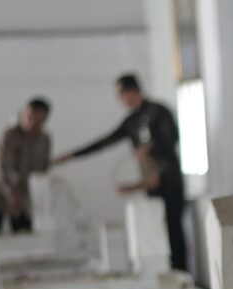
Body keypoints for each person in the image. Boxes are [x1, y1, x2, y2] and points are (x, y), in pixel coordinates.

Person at [53, 75, 187, 271]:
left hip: (170, 181)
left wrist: (150, 149)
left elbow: (173, 138)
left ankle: (182, 272)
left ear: (131, 92)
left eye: (121, 95)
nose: (120, 100)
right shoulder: (132, 121)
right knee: (158, 229)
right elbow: (105, 141)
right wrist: (72, 155)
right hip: (150, 183)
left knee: (174, 229)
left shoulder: (159, 112)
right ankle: (167, 272)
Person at [0, 97, 51, 234]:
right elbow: (3, 166)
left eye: (37, 119)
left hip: (24, 199)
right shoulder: (10, 135)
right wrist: (10, 191)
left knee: (25, 235)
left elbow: (42, 170)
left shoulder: (44, 140)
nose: (31, 122)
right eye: (29, 117)